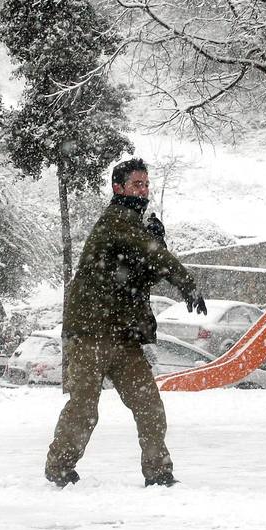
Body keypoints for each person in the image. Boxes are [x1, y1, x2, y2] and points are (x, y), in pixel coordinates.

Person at [45, 157, 207, 489]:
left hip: (124, 336)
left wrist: (158, 243)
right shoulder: (115, 221)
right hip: (91, 331)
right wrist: (186, 282)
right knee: (84, 408)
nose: (143, 190)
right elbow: (152, 255)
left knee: (149, 406)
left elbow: (143, 274)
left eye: (146, 184)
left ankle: (158, 473)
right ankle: (59, 466)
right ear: (118, 188)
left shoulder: (133, 226)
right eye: (137, 184)